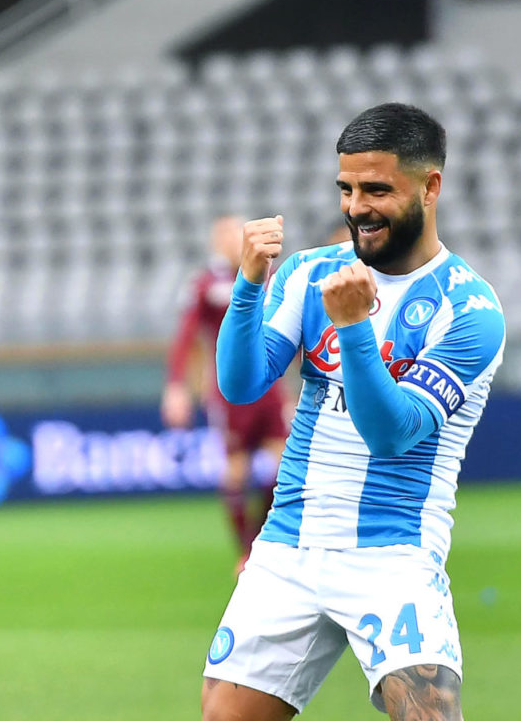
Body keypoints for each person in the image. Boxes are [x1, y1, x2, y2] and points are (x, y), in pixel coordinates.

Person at [201, 102, 505, 721]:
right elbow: (239, 383)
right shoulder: (312, 271)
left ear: (430, 186)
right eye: (347, 188)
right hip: (287, 547)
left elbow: (392, 434)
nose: (357, 207)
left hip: (393, 554)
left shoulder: (469, 311)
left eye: (377, 189)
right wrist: (251, 284)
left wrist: (354, 330)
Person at [161, 215, 289, 572]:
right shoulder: (205, 285)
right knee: (236, 468)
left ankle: (265, 540)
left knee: (286, 462)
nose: (234, 241)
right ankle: (245, 552)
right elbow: (185, 337)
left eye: (237, 234)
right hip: (229, 391)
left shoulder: (267, 276)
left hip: (269, 386)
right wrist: (176, 386)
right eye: (227, 236)